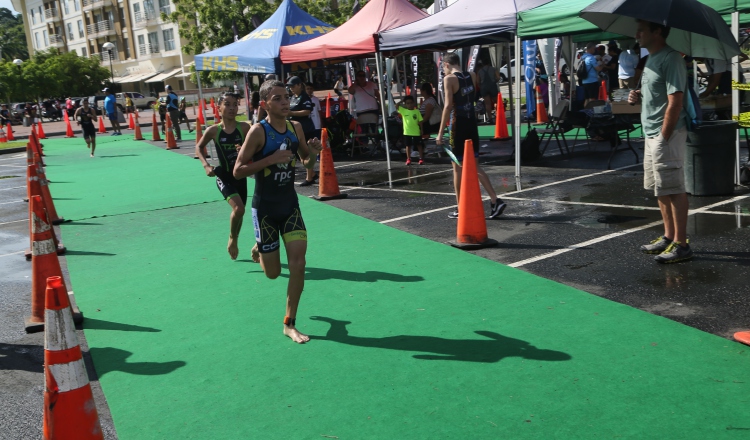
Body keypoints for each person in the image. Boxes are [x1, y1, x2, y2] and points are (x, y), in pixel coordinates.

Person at [233, 80, 323, 344]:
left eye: (286, 97)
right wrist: (269, 160)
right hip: (265, 209)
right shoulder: (258, 132)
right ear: (264, 105)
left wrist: (314, 154)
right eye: (277, 98)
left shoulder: (296, 128)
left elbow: (306, 161)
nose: (285, 102)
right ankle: (261, 246)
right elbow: (238, 170)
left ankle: (290, 323)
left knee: (298, 264)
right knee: (272, 274)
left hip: (290, 206)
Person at [629, 19, 693, 263]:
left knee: (674, 187)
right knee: (661, 188)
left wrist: (664, 135)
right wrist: (638, 95)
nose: (637, 35)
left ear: (657, 31)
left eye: (641, 30)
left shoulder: (671, 58)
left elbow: (675, 100)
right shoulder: (650, 59)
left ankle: (682, 244)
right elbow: (655, 94)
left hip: (667, 133)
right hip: (652, 133)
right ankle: (668, 237)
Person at [435, 52, 506, 220]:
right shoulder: (472, 75)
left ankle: (461, 207)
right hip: (471, 124)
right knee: (474, 166)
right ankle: (495, 200)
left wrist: (440, 132)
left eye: (443, 68)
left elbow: (447, 106)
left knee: (457, 168)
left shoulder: (449, 79)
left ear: (446, 65)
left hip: (458, 124)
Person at [195, 92, 252, 260]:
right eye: (227, 104)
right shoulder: (214, 130)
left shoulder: (245, 128)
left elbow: (256, 148)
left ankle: (235, 237)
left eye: (235, 104)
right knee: (239, 209)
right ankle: (233, 238)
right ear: (219, 108)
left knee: (240, 213)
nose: (232, 108)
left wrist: (245, 152)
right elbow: (199, 147)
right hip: (224, 176)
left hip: (240, 176)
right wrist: (206, 165)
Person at [286, 76, 317, 186]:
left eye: (293, 86)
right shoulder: (293, 97)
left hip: (305, 128)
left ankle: (309, 177)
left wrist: (292, 113)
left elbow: (307, 111)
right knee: (298, 153)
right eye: (290, 87)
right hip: (295, 129)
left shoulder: (304, 97)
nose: (291, 89)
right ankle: (311, 172)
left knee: (305, 152)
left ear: (299, 85)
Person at [348, 70, 380, 146]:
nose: (362, 77)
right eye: (360, 75)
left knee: (374, 128)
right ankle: (365, 145)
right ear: (357, 77)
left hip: (373, 109)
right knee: (363, 130)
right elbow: (350, 91)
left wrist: (381, 105)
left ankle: (377, 144)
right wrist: (355, 83)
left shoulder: (371, 84)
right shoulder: (355, 87)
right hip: (361, 110)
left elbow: (378, 95)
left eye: (363, 75)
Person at [303, 82, 323, 186]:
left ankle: (318, 156)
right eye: (307, 88)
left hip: (317, 124)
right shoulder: (304, 99)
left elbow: (319, 111)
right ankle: (311, 170)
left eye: (311, 88)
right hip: (309, 126)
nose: (309, 90)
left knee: (317, 141)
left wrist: (321, 122)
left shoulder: (315, 99)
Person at [397, 95, 424, 165]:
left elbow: (420, 121)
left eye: (411, 103)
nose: (410, 105)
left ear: (414, 103)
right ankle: (408, 158)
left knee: (419, 145)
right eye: (407, 103)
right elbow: (396, 106)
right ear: (405, 104)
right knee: (408, 145)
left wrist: (421, 130)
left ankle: (421, 158)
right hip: (407, 132)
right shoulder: (403, 111)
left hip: (416, 132)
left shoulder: (417, 111)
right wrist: (401, 101)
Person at [477, 57, 500, 122]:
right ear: (489, 63)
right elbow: (498, 77)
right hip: (492, 86)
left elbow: (478, 81)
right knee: (496, 102)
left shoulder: (480, 71)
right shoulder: (493, 69)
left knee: (487, 103)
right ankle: (498, 116)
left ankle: (489, 118)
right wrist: (494, 81)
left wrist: (481, 86)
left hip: (484, 87)